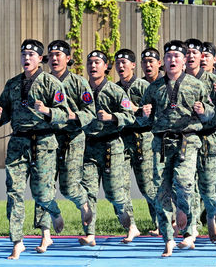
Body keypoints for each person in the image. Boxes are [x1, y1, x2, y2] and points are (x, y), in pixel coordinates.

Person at [0, 40, 69, 260]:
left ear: (39, 58)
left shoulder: (50, 83)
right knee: (14, 192)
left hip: (43, 143)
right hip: (17, 143)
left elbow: (64, 115)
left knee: (42, 193)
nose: (26, 58)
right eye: (23, 54)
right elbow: (5, 113)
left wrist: (47, 111)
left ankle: (51, 216)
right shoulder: (12, 84)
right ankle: (17, 241)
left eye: (31, 55)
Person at [138, 41, 215, 257]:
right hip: (161, 143)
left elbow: (211, 114)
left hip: (187, 140)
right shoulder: (154, 88)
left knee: (184, 182)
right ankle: (168, 239)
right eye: (169, 56)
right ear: (164, 61)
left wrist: (204, 110)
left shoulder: (196, 85)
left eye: (176, 56)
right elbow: (143, 120)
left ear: (184, 61)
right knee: (161, 191)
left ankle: (187, 220)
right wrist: (143, 114)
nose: (172, 60)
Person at [32, 40, 94, 253]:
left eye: (59, 54)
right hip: (46, 140)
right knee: (43, 185)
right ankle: (45, 234)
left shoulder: (78, 83)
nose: (54, 59)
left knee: (68, 187)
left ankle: (83, 202)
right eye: (51, 55)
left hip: (72, 139)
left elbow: (90, 113)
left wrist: (72, 115)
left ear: (68, 58)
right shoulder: (40, 82)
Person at [81, 50, 140, 247]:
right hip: (89, 147)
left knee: (114, 192)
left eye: (97, 62)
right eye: (90, 62)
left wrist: (112, 118)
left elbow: (130, 116)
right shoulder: (82, 89)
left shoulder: (115, 91)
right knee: (88, 191)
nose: (93, 66)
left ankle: (130, 223)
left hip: (111, 146)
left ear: (106, 66)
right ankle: (90, 234)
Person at [183, 39, 216, 244]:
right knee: (188, 186)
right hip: (186, 140)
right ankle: (192, 228)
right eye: (189, 53)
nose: (196, 57)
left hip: (214, 140)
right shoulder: (177, 81)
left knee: (214, 187)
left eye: (201, 54)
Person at [114, 49, 159, 237]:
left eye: (125, 62)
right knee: (120, 185)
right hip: (122, 140)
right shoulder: (114, 88)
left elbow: (155, 114)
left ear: (133, 65)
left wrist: (137, 110)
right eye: (117, 62)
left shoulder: (143, 87)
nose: (121, 65)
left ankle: (162, 222)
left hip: (144, 139)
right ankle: (131, 226)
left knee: (148, 186)